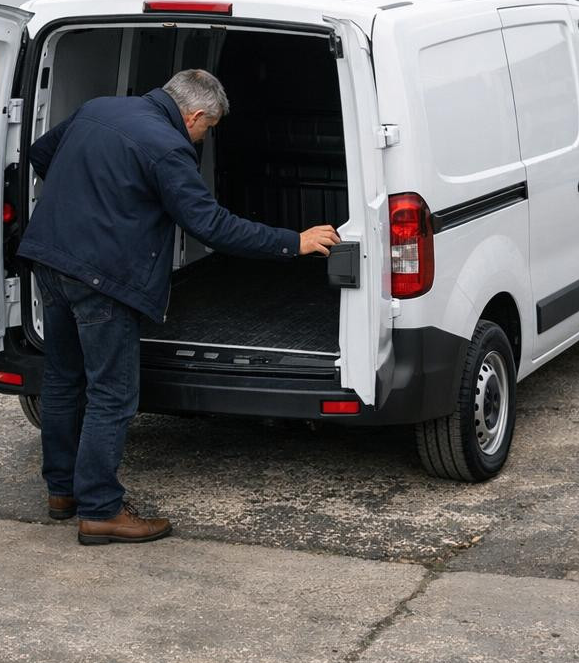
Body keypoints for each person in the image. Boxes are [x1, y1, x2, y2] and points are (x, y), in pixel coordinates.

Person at [17, 68, 340, 545]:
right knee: (112, 395)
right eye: (207, 129)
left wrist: (94, 202)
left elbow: (42, 154)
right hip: (102, 279)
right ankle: (102, 509)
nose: (204, 137)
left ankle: (62, 492)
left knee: (64, 379)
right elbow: (212, 226)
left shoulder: (98, 107)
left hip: (49, 258)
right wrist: (295, 241)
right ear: (194, 115)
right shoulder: (169, 148)